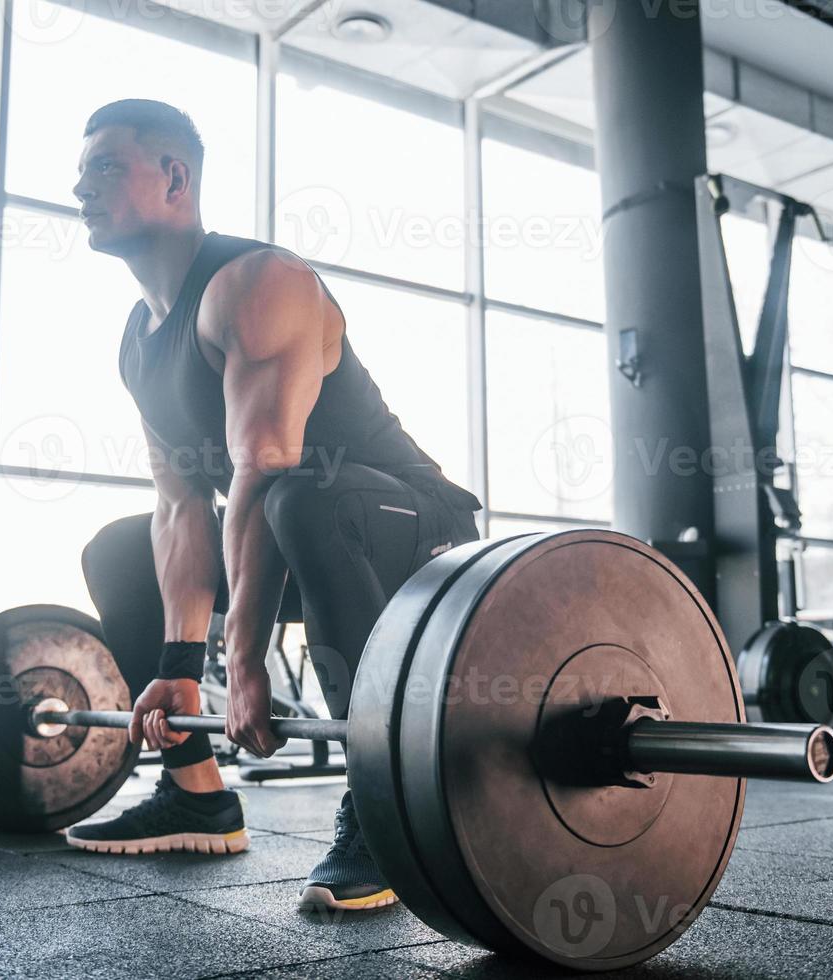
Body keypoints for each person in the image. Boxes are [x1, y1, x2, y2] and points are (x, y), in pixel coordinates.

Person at [64, 99, 481, 912]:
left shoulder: (259, 283)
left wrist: (247, 663)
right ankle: (197, 794)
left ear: (175, 177)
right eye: (80, 172)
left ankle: (383, 810)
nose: (80, 187)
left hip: (419, 534)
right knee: (118, 549)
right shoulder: (139, 338)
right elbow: (181, 507)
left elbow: (261, 471)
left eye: (105, 167)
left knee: (299, 497)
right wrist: (182, 673)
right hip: (299, 526)